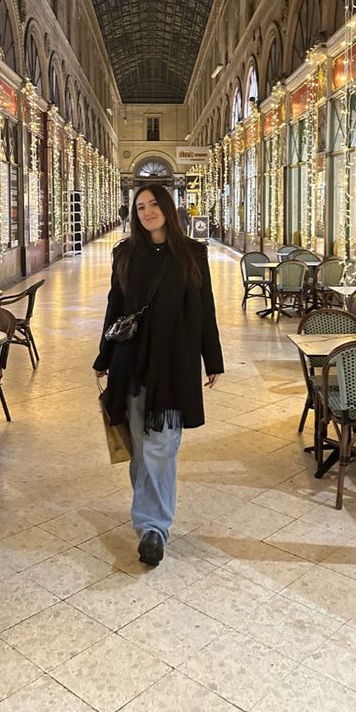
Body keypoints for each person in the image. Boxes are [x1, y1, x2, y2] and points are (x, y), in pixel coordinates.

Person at [93, 182, 224, 566]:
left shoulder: (192, 254)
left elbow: (205, 310)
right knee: (140, 447)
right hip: (130, 362)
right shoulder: (125, 253)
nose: (147, 211)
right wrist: (103, 357)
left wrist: (212, 360)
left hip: (174, 364)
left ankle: (153, 528)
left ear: (168, 207)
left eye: (153, 204)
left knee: (161, 446)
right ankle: (150, 523)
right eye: (140, 206)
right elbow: (114, 309)